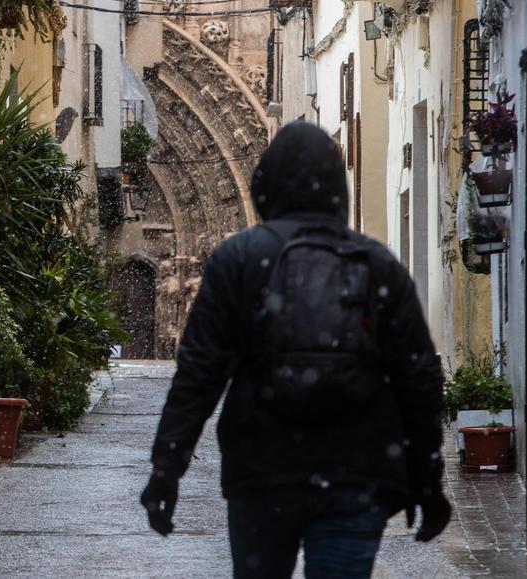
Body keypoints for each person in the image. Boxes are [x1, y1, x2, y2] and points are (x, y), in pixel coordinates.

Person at [140, 121, 450, 578]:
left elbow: (199, 375)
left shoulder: (239, 259)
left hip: (263, 472)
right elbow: (419, 380)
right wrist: (427, 479)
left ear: (266, 185)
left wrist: (167, 469)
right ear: (338, 189)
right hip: (356, 474)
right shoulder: (375, 264)